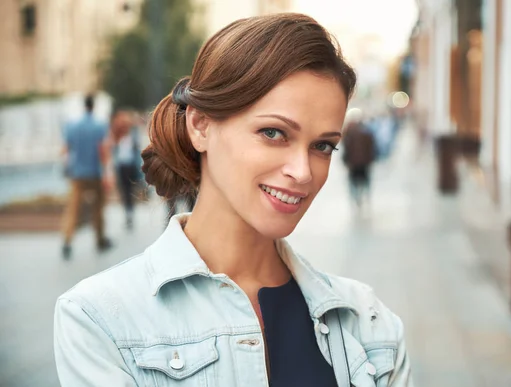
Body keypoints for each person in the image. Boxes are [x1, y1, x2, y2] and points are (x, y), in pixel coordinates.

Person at [54, 13, 413, 387]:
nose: (303, 171)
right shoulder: (100, 319)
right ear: (201, 126)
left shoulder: (371, 327)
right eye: (273, 133)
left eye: (323, 146)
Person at [61, 94, 113, 258]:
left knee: (73, 208)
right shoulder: (99, 126)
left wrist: (66, 168)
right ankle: (99, 240)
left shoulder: (72, 126)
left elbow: (66, 149)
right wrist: (107, 173)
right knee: (98, 207)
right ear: (94, 106)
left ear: (83, 105)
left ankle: (67, 240)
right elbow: (103, 151)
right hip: (94, 173)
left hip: (77, 174)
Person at [110, 110, 142, 229]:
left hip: (130, 166)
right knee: (124, 191)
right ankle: (128, 213)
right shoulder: (116, 135)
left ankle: (130, 213)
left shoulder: (133, 134)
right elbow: (113, 152)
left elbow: (137, 151)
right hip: (121, 166)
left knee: (130, 190)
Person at [342, 117, 376, 210]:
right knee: (365, 180)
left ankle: (356, 197)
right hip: (364, 162)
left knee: (354, 182)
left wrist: (345, 161)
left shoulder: (349, 135)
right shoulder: (367, 134)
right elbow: (371, 148)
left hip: (353, 163)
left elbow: (346, 149)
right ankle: (365, 196)